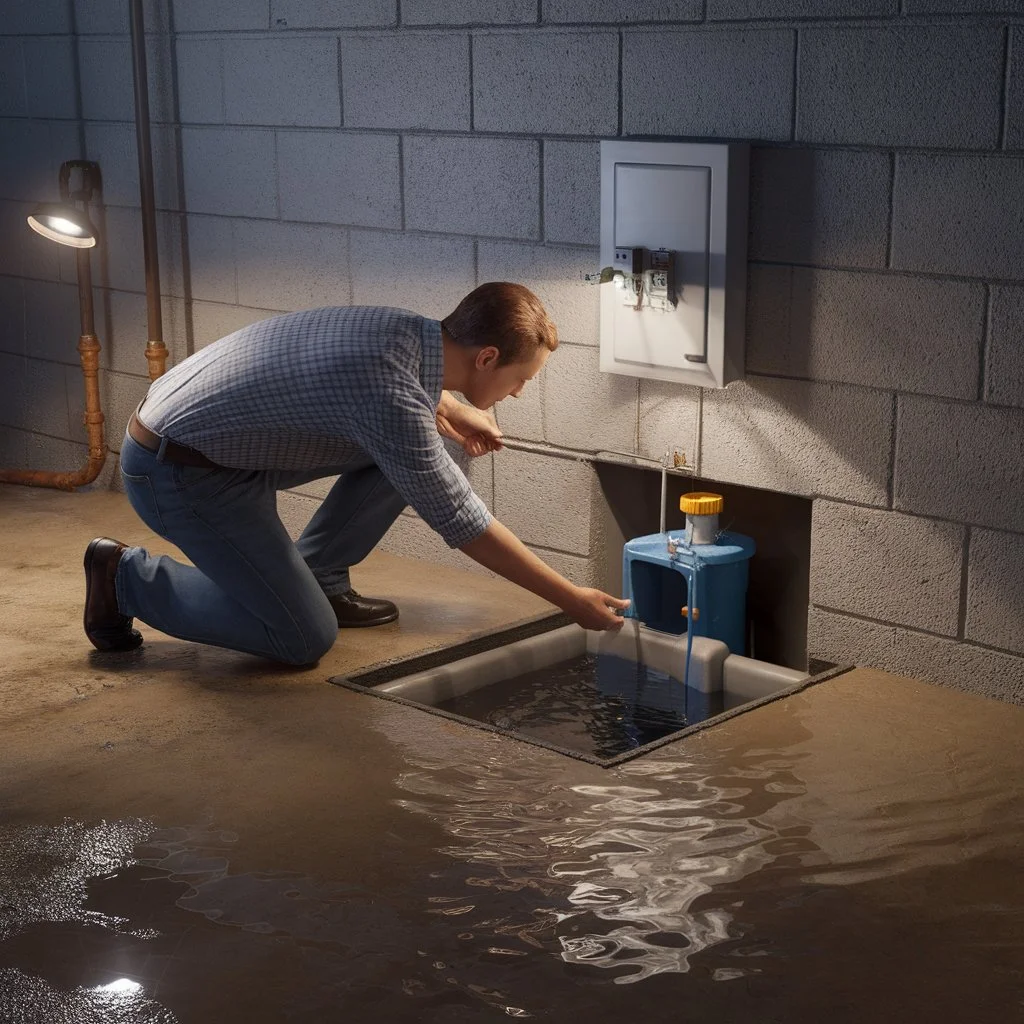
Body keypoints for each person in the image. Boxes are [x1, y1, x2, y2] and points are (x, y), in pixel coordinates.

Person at [83, 282, 629, 664]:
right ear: (486, 357)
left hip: (220, 447)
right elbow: (463, 522)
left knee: (432, 442)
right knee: (302, 637)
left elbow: (375, 391)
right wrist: (568, 599)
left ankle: (318, 575)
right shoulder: (391, 396)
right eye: (521, 378)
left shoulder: (405, 331)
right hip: (177, 473)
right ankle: (124, 579)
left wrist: (446, 408)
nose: (519, 392)